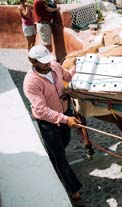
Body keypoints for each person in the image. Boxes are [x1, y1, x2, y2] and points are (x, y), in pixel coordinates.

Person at [23, 45, 82, 201]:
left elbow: (67, 76)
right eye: (43, 62)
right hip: (48, 123)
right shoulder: (31, 82)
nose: (48, 64)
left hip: (65, 114)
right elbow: (41, 110)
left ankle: (53, 158)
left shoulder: (54, 65)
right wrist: (65, 119)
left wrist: (77, 67)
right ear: (33, 61)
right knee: (60, 157)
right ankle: (73, 189)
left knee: (64, 143)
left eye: (48, 60)